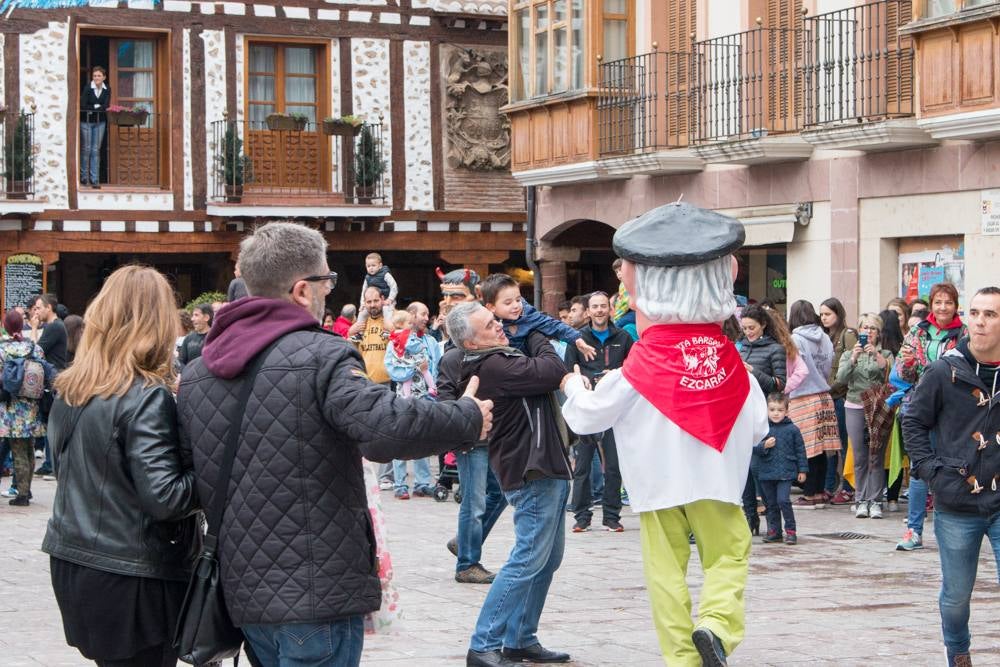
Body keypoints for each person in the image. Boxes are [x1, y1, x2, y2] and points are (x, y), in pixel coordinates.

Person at [177, 222, 491, 667]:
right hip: (315, 587)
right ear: (303, 290)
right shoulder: (322, 355)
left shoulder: (198, 373)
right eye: (328, 281)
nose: (330, 290)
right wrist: (467, 415)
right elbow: (384, 427)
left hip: (244, 590)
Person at [561, 202, 769, 666]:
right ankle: (716, 624)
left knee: (664, 572)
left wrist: (572, 384)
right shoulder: (736, 365)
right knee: (728, 556)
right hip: (717, 484)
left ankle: (682, 658)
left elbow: (587, 416)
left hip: (656, 487)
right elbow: (757, 427)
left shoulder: (638, 366)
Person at [43, 266, 199, 666]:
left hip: (74, 560)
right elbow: (165, 498)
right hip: (131, 574)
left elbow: (68, 474)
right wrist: (216, 470)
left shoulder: (70, 389)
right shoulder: (146, 396)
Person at [447, 301, 574, 667]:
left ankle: (520, 638)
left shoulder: (498, 357)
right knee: (528, 560)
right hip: (530, 470)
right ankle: (484, 643)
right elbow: (553, 371)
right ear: (471, 343)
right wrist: (537, 334)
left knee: (547, 559)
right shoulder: (494, 364)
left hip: (544, 466)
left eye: (495, 320)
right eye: (490, 325)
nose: (500, 326)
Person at [902, 286, 1000, 667]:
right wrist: (932, 472)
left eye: (990, 314)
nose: (979, 321)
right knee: (957, 595)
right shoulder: (945, 369)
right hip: (958, 502)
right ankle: (958, 652)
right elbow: (913, 421)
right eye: (975, 312)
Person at [436, 267, 507, 586]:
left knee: (500, 495)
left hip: (495, 437)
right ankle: (467, 563)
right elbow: (445, 401)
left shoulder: (495, 352)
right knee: (475, 500)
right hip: (470, 441)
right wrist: (465, 418)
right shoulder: (452, 359)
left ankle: (463, 542)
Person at [896, 282, 968, 551]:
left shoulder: (964, 333)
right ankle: (913, 530)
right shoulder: (918, 331)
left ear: (955, 306)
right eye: (938, 302)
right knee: (919, 469)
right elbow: (903, 375)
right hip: (922, 405)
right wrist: (909, 363)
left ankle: (949, 528)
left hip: (953, 408)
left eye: (948, 302)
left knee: (950, 467)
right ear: (931, 305)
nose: (943, 307)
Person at [563, 290, 633, 533]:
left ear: (610, 310)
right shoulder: (578, 339)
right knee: (582, 464)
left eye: (604, 306)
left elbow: (633, 369)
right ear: (588, 311)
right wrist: (586, 378)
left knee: (613, 464)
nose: (600, 310)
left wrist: (613, 376)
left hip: (614, 409)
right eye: (595, 307)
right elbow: (567, 372)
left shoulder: (623, 337)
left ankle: (612, 516)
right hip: (588, 408)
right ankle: (581, 516)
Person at [836, 313, 894, 519]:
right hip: (854, 405)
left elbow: (891, 375)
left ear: (878, 333)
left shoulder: (886, 354)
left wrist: (879, 359)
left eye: (872, 329)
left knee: (876, 456)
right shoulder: (848, 354)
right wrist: (853, 357)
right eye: (864, 328)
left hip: (879, 406)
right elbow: (841, 378)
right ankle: (860, 500)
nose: (868, 332)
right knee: (859, 456)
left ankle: (876, 501)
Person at [738, 304, 787, 530]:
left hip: (764, 413)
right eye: (745, 328)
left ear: (763, 325)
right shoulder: (740, 347)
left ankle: (772, 519)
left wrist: (753, 372)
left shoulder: (775, 349)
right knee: (744, 468)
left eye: (752, 327)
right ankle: (750, 516)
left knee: (761, 469)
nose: (748, 332)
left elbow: (779, 384)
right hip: (741, 411)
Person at [788, 300, 840, 509]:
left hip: (802, 397)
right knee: (822, 448)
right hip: (824, 395)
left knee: (805, 448)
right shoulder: (825, 337)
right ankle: (819, 491)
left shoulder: (795, 339)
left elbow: (793, 369)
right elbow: (828, 365)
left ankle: (809, 494)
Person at [384, 306, 439, 500]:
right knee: (401, 438)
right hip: (404, 397)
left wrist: (434, 388)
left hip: (424, 396)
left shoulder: (429, 340)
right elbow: (392, 367)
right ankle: (400, 484)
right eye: (421, 314)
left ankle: (422, 483)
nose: (425, 318)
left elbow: (435, 366)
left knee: (422, 439)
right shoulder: (394, 341)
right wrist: (415, 367)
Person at [480, 273, 595, 360]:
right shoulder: (483, 324)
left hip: (528, 367)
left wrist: (576, 338)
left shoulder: (527, 314)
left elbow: (551, 324)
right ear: (491, 307)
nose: (516, 305)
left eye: (518, 300)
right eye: (508, 303)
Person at [0, 309, 48, 506]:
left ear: (6, 326)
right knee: (28, 448)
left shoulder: (3, 350)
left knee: (18, 449)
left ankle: (22, 494)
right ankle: (26, 489)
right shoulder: (34, 348)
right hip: (33, 404)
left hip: (12, 407)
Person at [753, 393, 807, 544]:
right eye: (772, 410)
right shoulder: (762, 429)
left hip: (786, 472)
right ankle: (774, 531)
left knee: (783, 500)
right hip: (766, 472)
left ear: (787, 411)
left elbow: (800, 450)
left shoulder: (793, 429)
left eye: (780, 410)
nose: (776, 413)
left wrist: (802, 470)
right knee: (770, 503)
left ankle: (791, 531)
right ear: (767, 411)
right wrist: (764, 445)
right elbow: (752, 448)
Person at [820, 297, 859, 505]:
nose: (824, 318)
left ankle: (848, 487)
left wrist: (834, 388)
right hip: (829, 396)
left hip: (842, 397)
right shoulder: (826, 337)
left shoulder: (848, 334)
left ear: (838, 314)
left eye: (828, 314)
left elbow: (854, 364)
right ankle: (829, 485)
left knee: (845, 444)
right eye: (822, 314)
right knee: (831, 445)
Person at [29, 293, 67, 477]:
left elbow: (36, 351)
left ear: (48, 308)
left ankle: (52, 465)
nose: (36, 312)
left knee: (52, 422)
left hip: (54, 380)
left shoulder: (54, 327)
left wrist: (34, 328)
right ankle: (49, 463)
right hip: (54, 378)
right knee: (49, 422)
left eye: (38, 308)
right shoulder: (56, 326)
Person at [80, 65, 110, 189]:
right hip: (86, 121)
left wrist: (93, 107)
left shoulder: (107, 89)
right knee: (86, 149)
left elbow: (106, 105)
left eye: (99, 76)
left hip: (100, 122)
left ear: (104, 77)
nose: (96, 78)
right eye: (94, 76)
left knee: (95, 150)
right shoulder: (88, 88)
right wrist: (97, 107)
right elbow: (83, 105)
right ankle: (84, 176)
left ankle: (94, 178)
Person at [355, 252, 397, 329]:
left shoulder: (385, 274)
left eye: (373, 265)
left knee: (386, 311)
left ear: (380, 266)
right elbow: (363, 291)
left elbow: (394, 286)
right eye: (368, 266)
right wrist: (362, 304)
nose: (371, 268)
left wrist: (390, 299)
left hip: (387, 300)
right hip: (372, 300)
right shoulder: (367, 278)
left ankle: (387, 331)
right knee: (362, 313)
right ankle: (359, 333)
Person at [176, 303, 212, 368]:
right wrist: (186, 373)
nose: (192, 319)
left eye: (196, 315)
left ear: (206, 317)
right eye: (193, 315)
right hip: (189, 376)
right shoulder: (189, 338)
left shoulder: (215, 337)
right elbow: (180, 361)